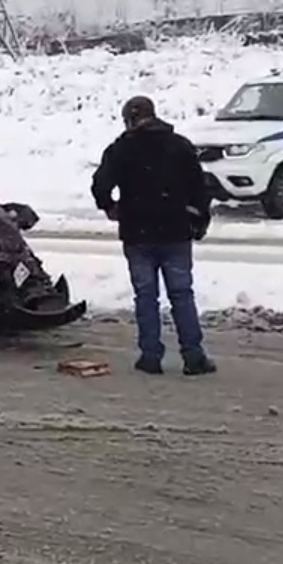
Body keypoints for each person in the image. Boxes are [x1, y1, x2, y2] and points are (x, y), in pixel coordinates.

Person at [90, 94, 218, 377]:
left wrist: (110, 207)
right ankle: (194, 357)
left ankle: (150, 357)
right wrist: (199, 219)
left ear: (129, 120)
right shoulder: (179, 146)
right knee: (182, 294)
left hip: (137, 233)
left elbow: (100, 184)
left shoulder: (121, 149)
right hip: (175, 231)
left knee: (145, 296)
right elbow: (201, 187)